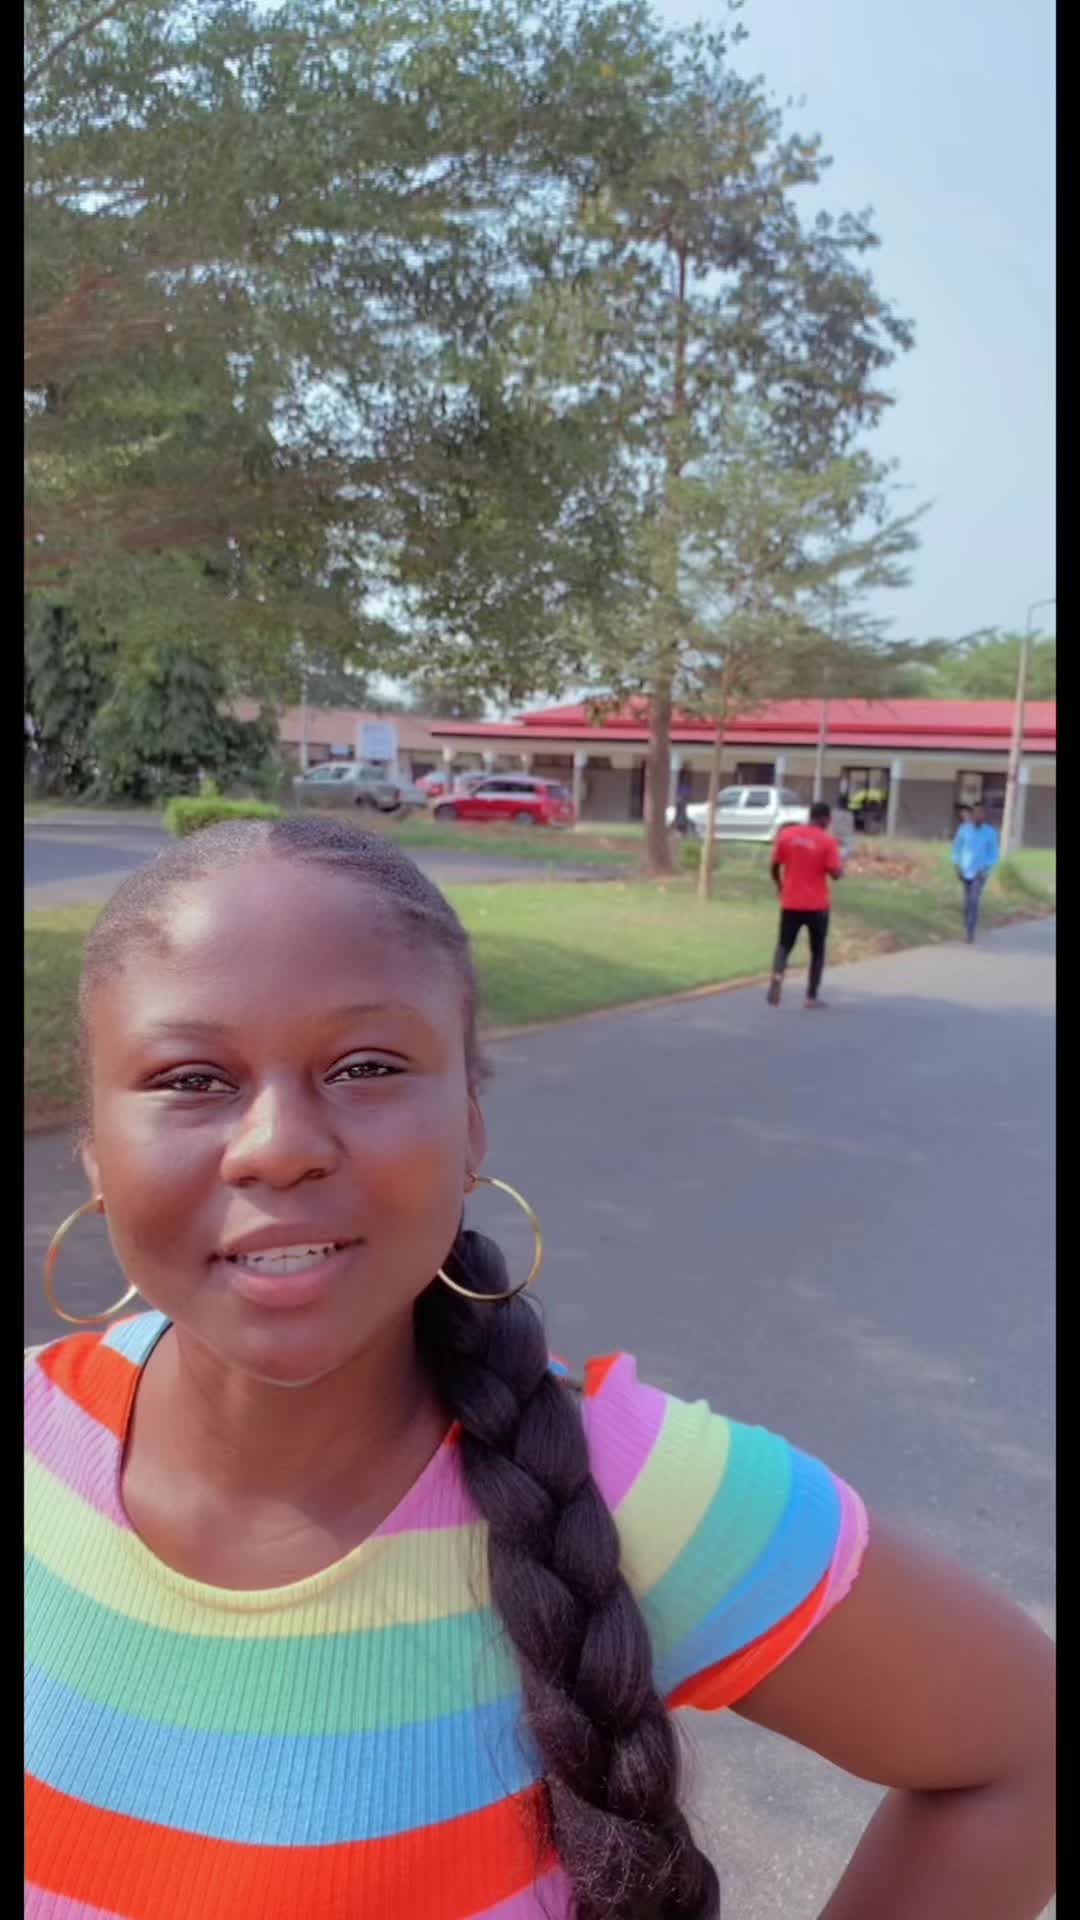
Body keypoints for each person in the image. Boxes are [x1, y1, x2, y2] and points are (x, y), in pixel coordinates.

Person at [26, 818, 1054, 1920]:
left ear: (471, 1123)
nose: (278, 1145)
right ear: (93, 1147)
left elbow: (1023, 1750)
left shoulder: (631, 1488)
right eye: (190, 1078)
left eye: (367, 1067)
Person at [767, 799, 845, 1010]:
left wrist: (780, 886)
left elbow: (774, 866)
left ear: (810, 816)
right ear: (825, 819)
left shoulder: (787, 835)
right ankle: (811, 997)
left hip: (790, 902)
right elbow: (835, 874)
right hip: (816, 906)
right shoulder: (827, 841)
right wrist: (841, 868)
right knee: (817, 950)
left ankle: (777, 974)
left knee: (784, 945)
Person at [952, 801, 1000, 943]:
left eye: (981, 813)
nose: (979, 815)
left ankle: (970, 932)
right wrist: (957, 866)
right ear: (972, 814)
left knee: (974, 900)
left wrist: (985, 868)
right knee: (967, 902)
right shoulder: (964, 830)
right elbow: (957, 849)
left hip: (980, 872)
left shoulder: (990, 832)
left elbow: (993, 854)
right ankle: (966, 926)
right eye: (976, 812)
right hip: (965, 870)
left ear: (985, 815)